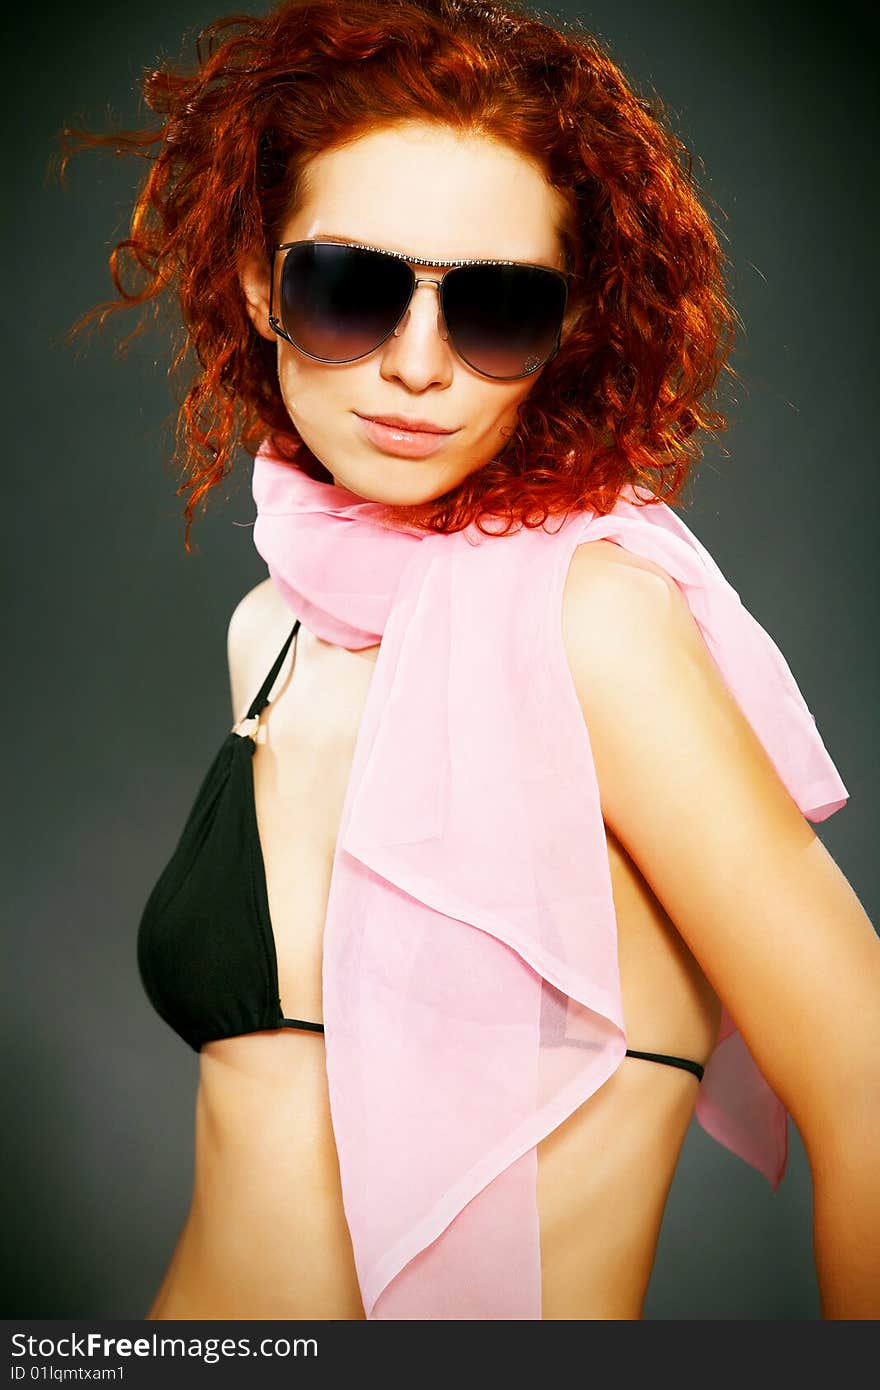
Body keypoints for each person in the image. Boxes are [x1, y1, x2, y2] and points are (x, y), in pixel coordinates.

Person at [58, 0, 879, 1321]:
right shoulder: (268, 631)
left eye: (496, 308)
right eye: (350, 287)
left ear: (564, 334)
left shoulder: (589, 620)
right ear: (264, 281)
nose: (419, 365)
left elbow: (868, 1083)